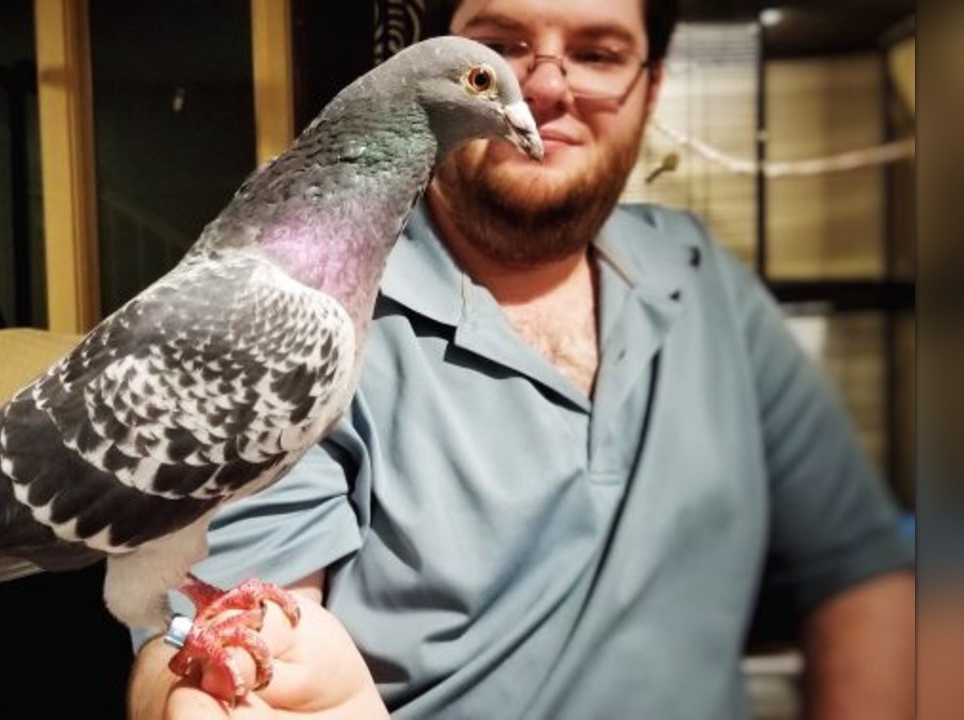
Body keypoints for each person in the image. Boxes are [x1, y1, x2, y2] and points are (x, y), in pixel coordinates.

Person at [128, 0, 916, 717]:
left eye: (598, 54)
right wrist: (215, 688)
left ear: (652, 89)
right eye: (498, 48)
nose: (543, 86)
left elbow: (862, 573)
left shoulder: (704, 277)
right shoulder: (299, 316)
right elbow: (224, 626)